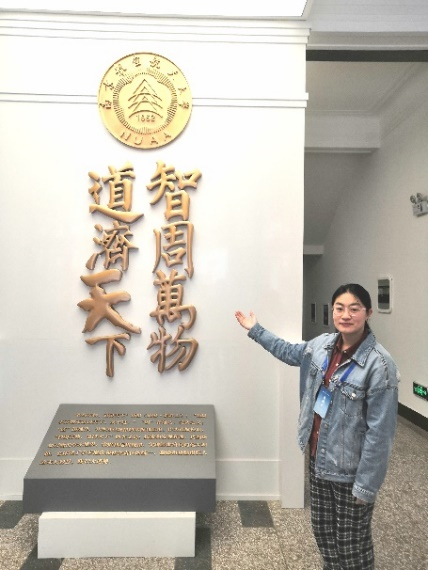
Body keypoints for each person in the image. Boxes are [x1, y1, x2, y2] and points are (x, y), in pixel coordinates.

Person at [235, 283, 399, 570]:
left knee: (352, 544)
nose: (345, 315)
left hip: (349, 469)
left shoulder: (380, 365)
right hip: (318, 457)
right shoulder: (321, 346)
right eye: (339, 308)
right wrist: (255, 329)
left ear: (368, 313)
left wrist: (366, 486)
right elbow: (288, 351)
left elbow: (381, 434)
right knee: (323, 531)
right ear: (332, 311)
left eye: (354, 309)